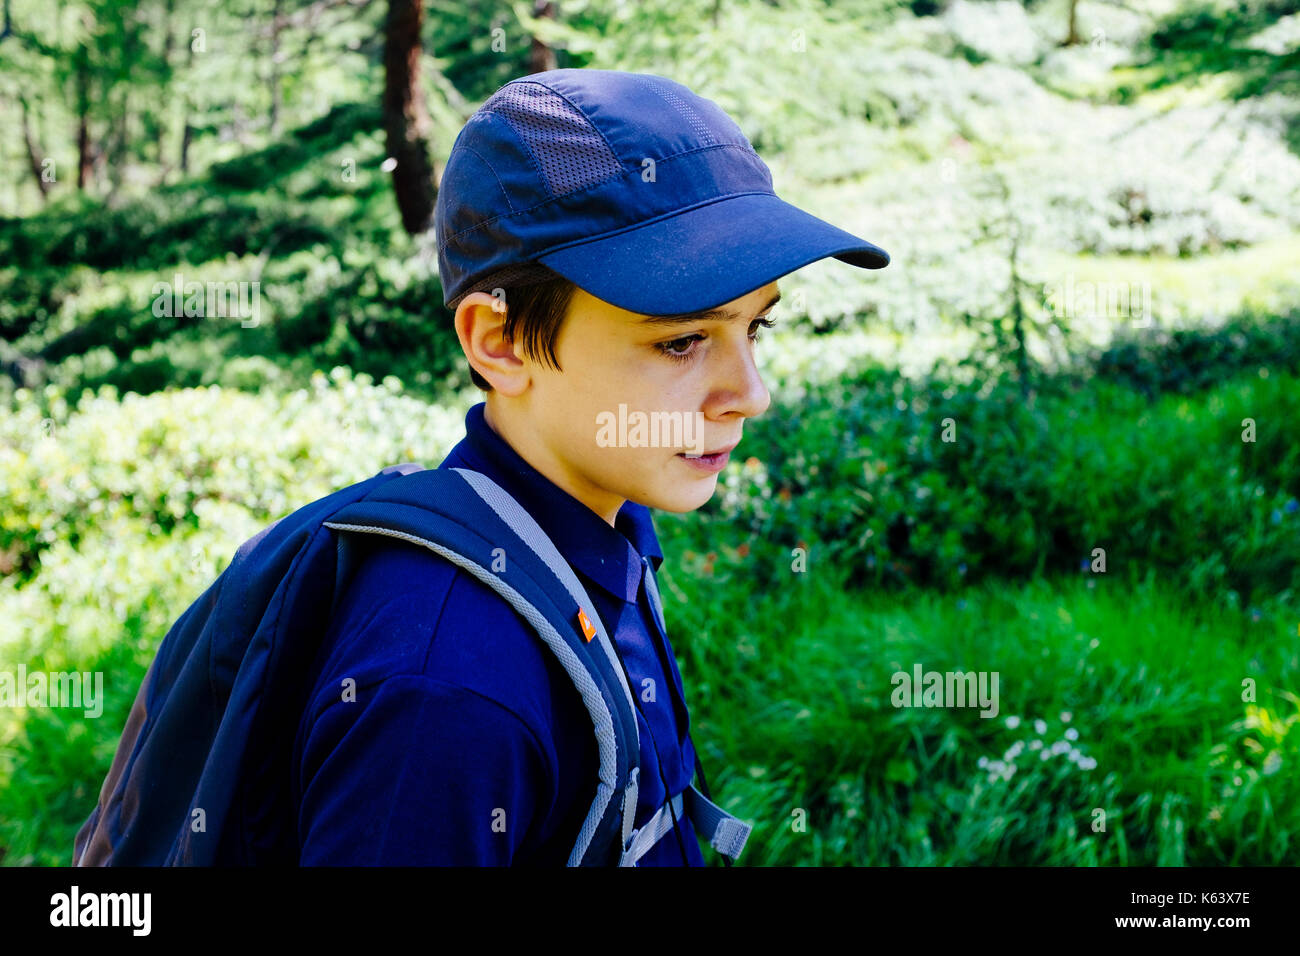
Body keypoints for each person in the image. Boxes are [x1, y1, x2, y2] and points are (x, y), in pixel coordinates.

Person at [292, 68, 890, 865]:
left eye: (757, 329)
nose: (751, 395)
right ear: (498, 341)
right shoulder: (447, 694)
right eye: (681, 340)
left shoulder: (601, 528)